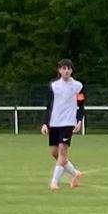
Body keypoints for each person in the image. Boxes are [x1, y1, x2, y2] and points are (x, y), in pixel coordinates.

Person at [42, 59, 85, 189]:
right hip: (54, 123)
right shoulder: (54, 86)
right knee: (54, 152)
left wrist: (79, 120)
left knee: (62, 152)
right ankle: (75, 173)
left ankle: (54, 182)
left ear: (71, 70)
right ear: (59, 70)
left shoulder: (78, 86)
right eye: (64, 68)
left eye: (69, 68)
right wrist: (45, 123)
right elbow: (49, 106)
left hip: (68, 123)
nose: (66, 71)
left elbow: (81, 105)